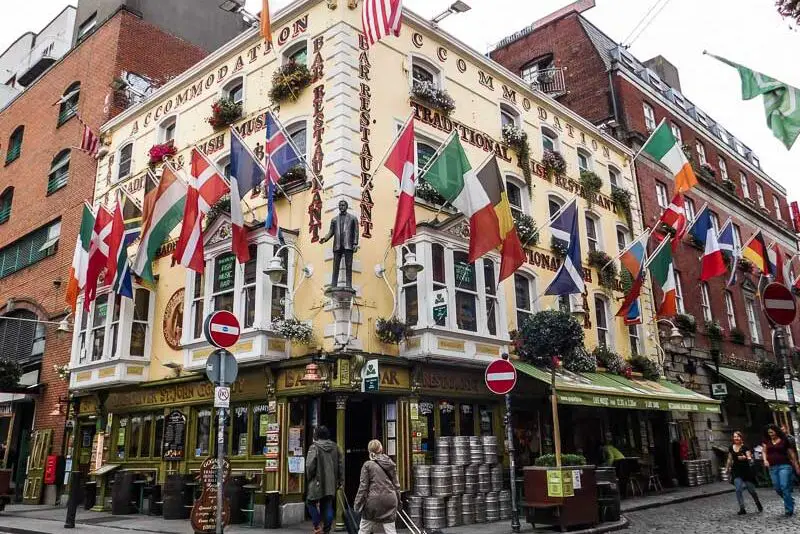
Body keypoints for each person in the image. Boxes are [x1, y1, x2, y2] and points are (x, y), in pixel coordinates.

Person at [354, 440, 401, 534]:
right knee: (390, 530)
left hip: (373, 502)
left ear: (369, 451)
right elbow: (396, 485)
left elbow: (363, 487)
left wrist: (357, 504)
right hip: (390, 500)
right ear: (381, 449)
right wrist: (399, 501)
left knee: (364, 529)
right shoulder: (390, 463)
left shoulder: (368, 465)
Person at [306, 426, 344, 534]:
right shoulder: (336, 447)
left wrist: (310, 478)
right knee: (327, 504)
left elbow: (310, 466)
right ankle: (327, 529)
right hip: (331, 482)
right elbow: (341, 465)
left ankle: (317, 525)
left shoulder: (314, 447)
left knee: (310, 502)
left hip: (317, 481)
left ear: (317, 435)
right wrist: (340, 480)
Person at [319, 200, 359, 289]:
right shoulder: (334, 219)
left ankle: (349, 285)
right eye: (340, 205)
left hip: (348, 245)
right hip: (337, 245)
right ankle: (333, 285)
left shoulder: (353, 218)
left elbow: (356, 232)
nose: (341, 207)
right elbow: (331, 232)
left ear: (346, 206)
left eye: (343, 205)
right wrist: (325, 238)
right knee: (335, 266)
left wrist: (355, 244)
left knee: (349, 266)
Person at [762, 423, 800, 517]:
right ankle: (790, 500)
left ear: (776, 431)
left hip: (785, 466)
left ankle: (789, 509)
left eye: (772, 432)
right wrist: (765, 460)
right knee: (777, 488)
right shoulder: (767, 441)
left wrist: (796, 466)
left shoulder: (784, 441)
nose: (771, 434)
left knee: (784, 486)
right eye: (769, 433)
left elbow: (791, 454)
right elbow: (764, 451)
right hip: (772, 467)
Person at [725, 431, 762, 515]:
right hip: (736, 471)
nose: (736, 438)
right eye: (734, 437)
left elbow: (749, 457)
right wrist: (727, 468)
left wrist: (745, 457)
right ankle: (742, 508)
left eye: (738, 436)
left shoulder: (745, 447)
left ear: (741, 438)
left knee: (751, 490)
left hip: (746, 471)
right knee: (738, 489)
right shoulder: (731, 447)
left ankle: (757, 502)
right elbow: (729, 459)